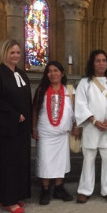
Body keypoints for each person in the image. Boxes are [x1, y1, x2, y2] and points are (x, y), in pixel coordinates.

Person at [0, 38, 32, 213]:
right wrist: (13, 115)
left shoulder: (21, 74)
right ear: (4, 53)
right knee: (7, 163)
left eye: (18, 52)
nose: (16, 55)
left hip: (20, 129)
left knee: (18, 162)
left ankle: (15, 195)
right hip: (4, 131)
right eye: (12, 52)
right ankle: (9, 200)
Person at [74, 49, 107, 203]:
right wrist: (94, 121)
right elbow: (81, 104)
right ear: (92, 63)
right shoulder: (85, 83)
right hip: (91, 127)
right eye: (98, 61)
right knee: (88, 159)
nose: (101, 63)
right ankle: (84, 190)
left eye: (104, 61)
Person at [32, 61, 81, 205]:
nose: (53, 73)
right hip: (45, 133)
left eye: (56, 70)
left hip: (62, 134)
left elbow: (76, 110)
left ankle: (59, 187)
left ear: (62, 73)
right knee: (45, 161)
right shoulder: (41, 90)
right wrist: (34, 128)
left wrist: (76, 126)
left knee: (61, 162)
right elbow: (34, 110)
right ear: (46, 74)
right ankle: (45, 189)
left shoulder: (70, 91)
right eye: (49, 71)